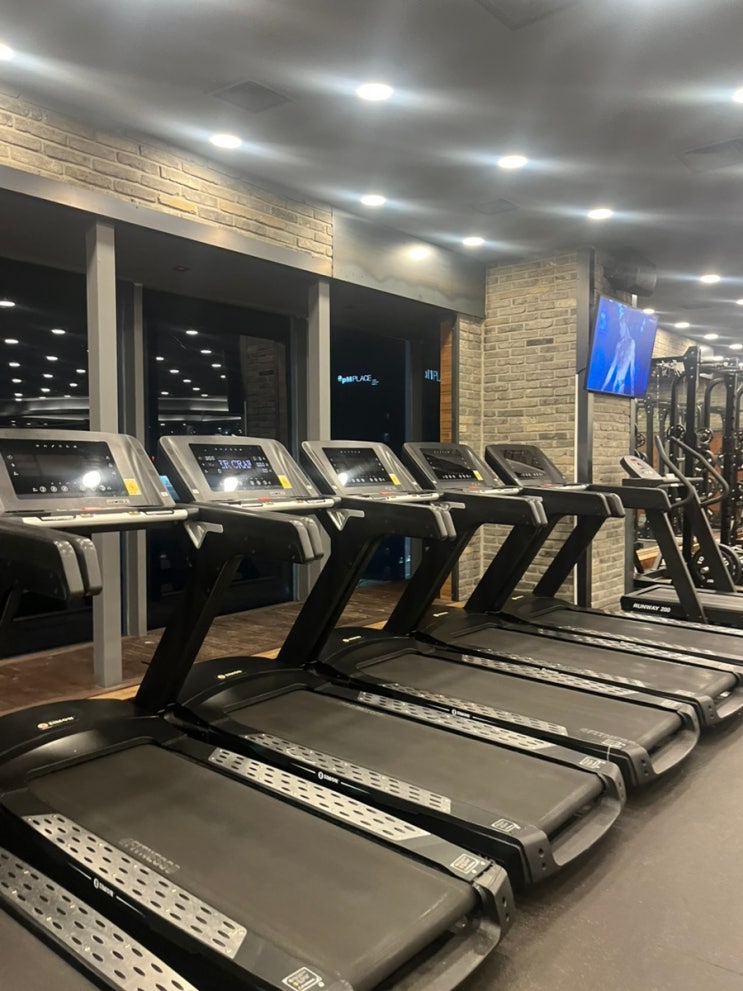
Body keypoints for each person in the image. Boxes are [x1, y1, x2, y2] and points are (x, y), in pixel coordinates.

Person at [601, 311, 636, 395]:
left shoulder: (631, 343)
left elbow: (632, 367)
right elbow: (612, 367)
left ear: (625, 327)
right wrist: (603, 387)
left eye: (621, 327)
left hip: (621, 384)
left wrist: (632, 389)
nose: (620, 330)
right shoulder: (619, 344)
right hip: (615, 383)